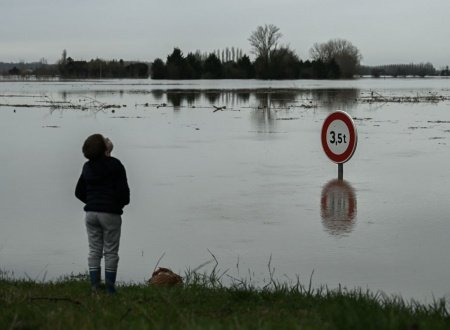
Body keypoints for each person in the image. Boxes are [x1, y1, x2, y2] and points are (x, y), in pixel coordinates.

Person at [75, 134, 130, 294]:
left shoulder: (87, 167)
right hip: (110, 214)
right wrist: (115, 205)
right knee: (111, 251)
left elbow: (79, 192)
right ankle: (110, 290)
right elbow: (124, 194)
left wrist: (93, 202)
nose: (108, 138)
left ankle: (95, 288)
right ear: (105, 149)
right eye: (105, 140)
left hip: (91, 214)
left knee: (94, 250)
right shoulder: (116, 165)